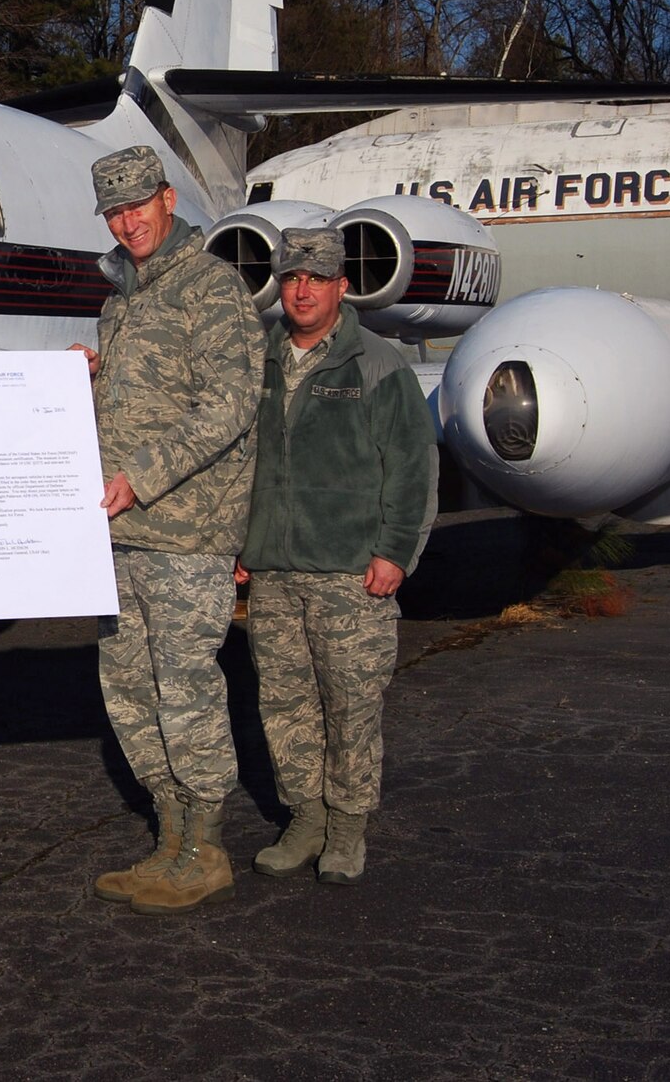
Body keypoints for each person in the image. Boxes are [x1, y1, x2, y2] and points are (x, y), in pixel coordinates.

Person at [82, 144, 265, 916]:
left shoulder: (210, 288)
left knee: (185, 684)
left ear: (167, 199)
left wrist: (144, 475)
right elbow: (131, 404)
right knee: (128, 687)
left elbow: (230, 403)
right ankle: (168, 835)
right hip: (118, 534)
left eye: (139, 205)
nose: (129, 222)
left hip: (186, 532)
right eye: (115, 212)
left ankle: (207, 846)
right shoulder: (120, 302)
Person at [236, 227, 437, 886]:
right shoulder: (256, 360)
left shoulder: (376, 364)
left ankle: (347, 826)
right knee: (285, 704)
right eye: (293, 277)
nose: (302, 290)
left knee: (351, 705)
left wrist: (396, 551)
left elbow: (412, 466)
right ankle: (305, 818)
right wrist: (243, 544)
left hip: (352, 571)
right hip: (274, 571)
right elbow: (238, 464)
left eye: (317, 278)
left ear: (341, 287)